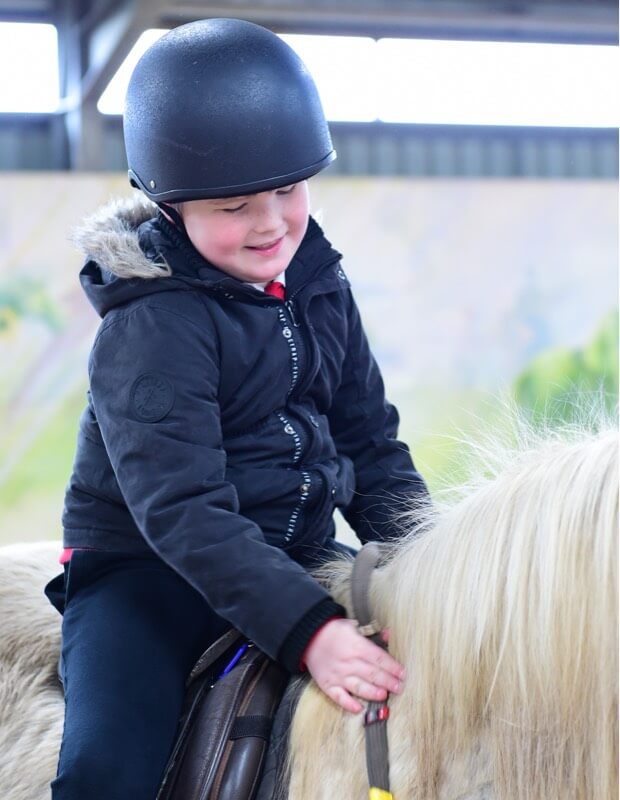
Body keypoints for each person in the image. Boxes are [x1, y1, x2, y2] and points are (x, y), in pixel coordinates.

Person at [44, 17, 429, 800]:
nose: (269, 222)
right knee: (105, 770)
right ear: (171, 206)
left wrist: (435, 562)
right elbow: (182, 509)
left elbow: (370, 443)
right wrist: (309, 632)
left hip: (302, 552)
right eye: (233, 205)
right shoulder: (152, 324)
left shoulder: (320, 281)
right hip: (149, 576)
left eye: (287, 190)